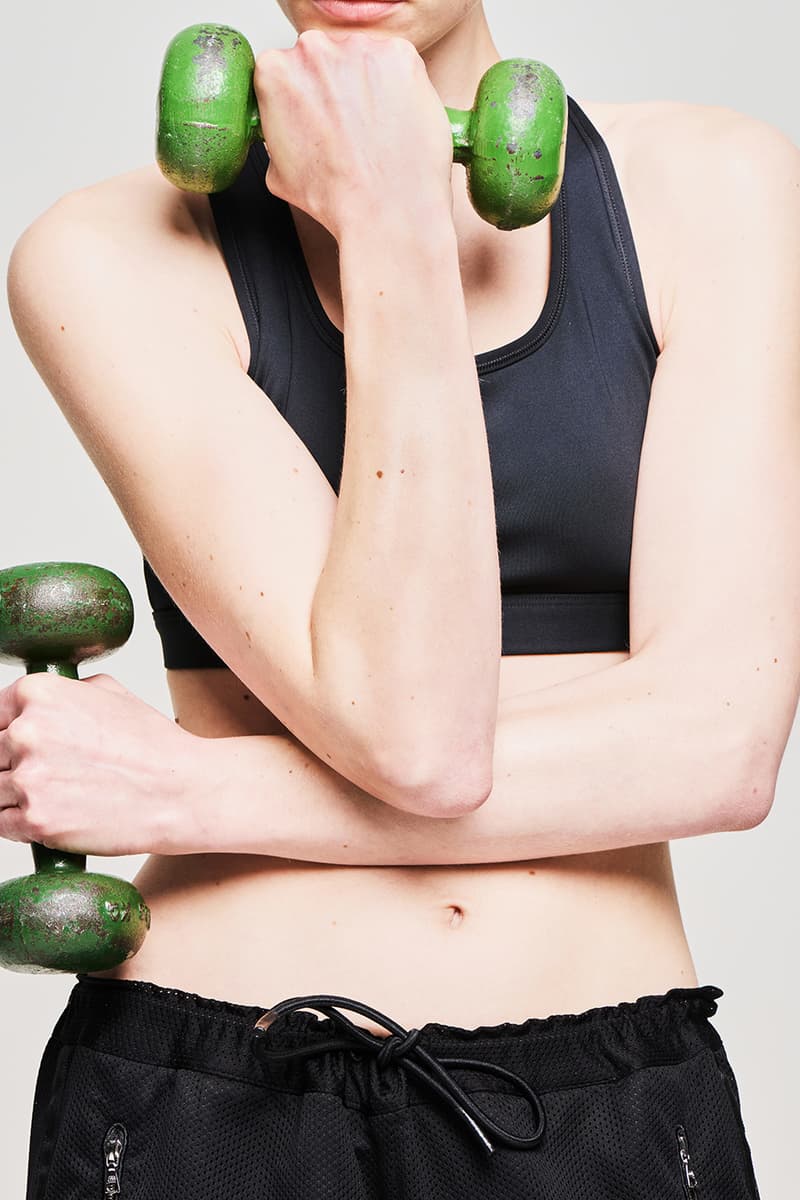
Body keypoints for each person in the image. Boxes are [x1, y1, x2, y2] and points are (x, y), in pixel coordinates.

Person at [4, 0, 799, 1196]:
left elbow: (716, 754)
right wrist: (395, 231)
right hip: (207, 1091)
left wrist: (193, 789)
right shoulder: (105, 252)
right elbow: (410, 731)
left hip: (596, 1097)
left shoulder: (719, 191)